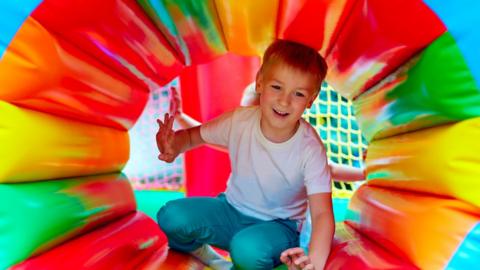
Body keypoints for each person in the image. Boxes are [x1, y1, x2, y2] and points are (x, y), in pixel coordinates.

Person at [156, 39, 337, 270]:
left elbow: (321, 214)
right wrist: (172, 146)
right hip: (230, 210)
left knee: (247, 249)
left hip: (278, 227)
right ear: (260, 82)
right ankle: (203, 253)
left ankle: (240, 265)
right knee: (172, 215)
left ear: (311, 99)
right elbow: (193, 136)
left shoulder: (310, 149)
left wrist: (316, 264)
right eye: (277, 87)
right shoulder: (239, 121)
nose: (284, 100)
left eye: (298, 94)